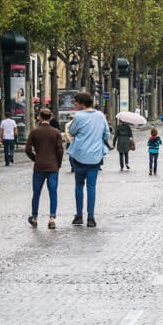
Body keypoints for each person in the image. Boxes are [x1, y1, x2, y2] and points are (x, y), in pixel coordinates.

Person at [67, 92, 111, 227]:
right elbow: (106, 134)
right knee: (91, 187)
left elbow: (72, 131)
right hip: (95, 156)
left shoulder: (78, 116)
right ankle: (91, 217)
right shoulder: (100, 116)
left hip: (79, 155)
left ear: (82, 103)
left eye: (76, 102)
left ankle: (79, 215)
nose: (75, 104)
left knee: (79, 186)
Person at [25, 108, 64, 229]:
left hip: (39, 166)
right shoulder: (56, 132)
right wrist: (58, 163)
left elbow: (27, 149)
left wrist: (35, 158)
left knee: (36, 193)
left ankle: (35, 217)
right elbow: (60, 150)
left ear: (40, 118)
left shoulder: (34, 131)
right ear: (51, 118)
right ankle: (52, 218)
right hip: (52, 166)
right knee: (53, 192)